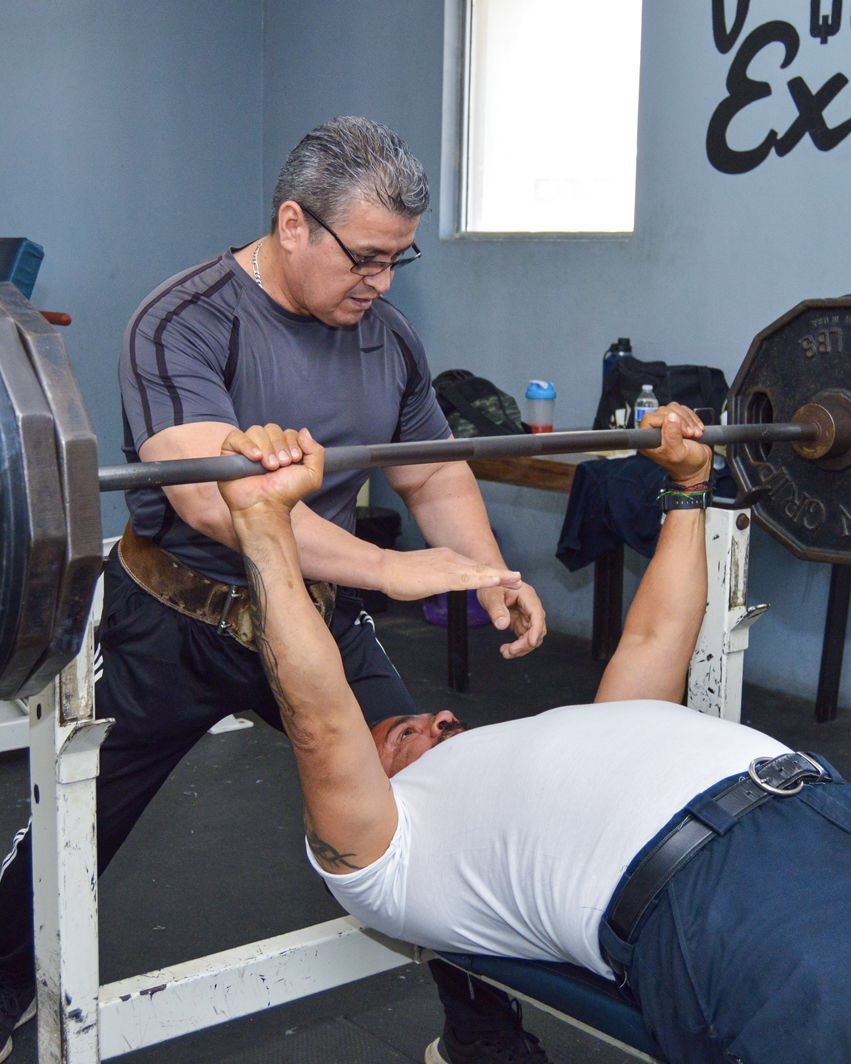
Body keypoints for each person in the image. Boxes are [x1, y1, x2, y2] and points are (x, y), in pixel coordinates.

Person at [0, 116, 546, 1063]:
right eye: (364, 259)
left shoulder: (389, 337)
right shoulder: (182, 318)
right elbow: (215, 503)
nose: (377, 284)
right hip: (172, 619)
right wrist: (390, 567)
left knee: (438, 799)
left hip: (315, 619)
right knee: (66, 843)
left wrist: (483, 568)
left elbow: (432, 472)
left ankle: (482, 1036)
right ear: (292, 222)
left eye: (396, 263)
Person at [216, 406, 851, 1064]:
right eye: (399, 730)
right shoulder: (382, 861)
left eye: (430, 718)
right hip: (720, 894)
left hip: (823, 806)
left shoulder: (596, 729)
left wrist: (686, 486)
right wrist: (265, 527)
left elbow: (655, 633)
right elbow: (320, 716)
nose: (440, 717)